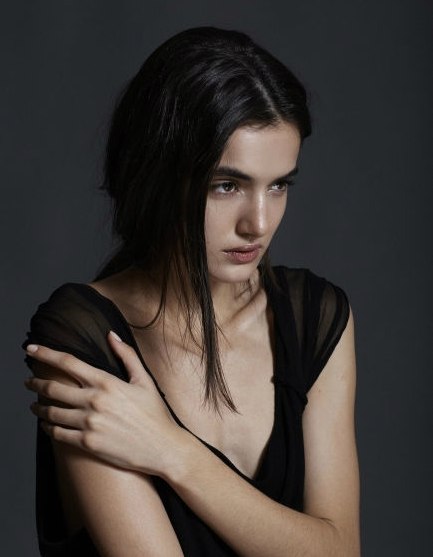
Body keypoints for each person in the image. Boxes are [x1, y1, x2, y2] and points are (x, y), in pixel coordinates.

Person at [22, 26, 360, 557]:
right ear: (159, 175)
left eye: (278, 185)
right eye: (227, 185)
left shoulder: (313, 318)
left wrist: (172, 451)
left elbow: (341, 550)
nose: (259, 223)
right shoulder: (82, 336)